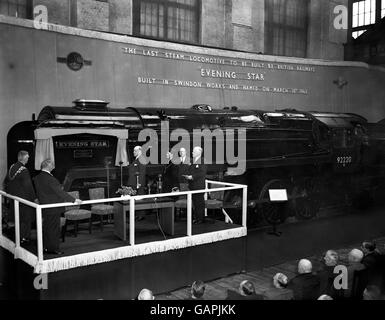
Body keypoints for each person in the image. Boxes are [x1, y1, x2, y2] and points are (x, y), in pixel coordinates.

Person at [33, 159, 81, 255]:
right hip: (53, 208)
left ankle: (46, 247)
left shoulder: (37, 178)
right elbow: (60, 192)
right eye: (52, 164)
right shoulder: (50, 179)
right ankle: (53, 248)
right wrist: (74, 200)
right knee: (54, 229)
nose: (54, 166)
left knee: (47, 228)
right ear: (48, 165)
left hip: (45, 207)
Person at [7, 151, 37, 243]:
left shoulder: (12, 167)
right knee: (26, 219)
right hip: (24, 198)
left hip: (14, 197)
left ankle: (19, 236)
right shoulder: (23, 170)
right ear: (23, 158)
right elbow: (28, 186)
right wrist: (34, 198)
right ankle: (24, 237)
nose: (28, 159)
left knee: (18, 218)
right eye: (27, 157)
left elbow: (8, 181)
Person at [183, 147, 206, 224]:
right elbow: (191, 170)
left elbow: (202, 173)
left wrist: (192, 177)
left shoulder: (203, 161)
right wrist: (188, 175)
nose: (192, 152)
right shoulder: (193, 161)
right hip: (192, 186)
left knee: (199, 203)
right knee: (195, 203)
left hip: (199, 186)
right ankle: (196, 218)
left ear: (199, 152)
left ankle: (200, 219)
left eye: (193, 151)